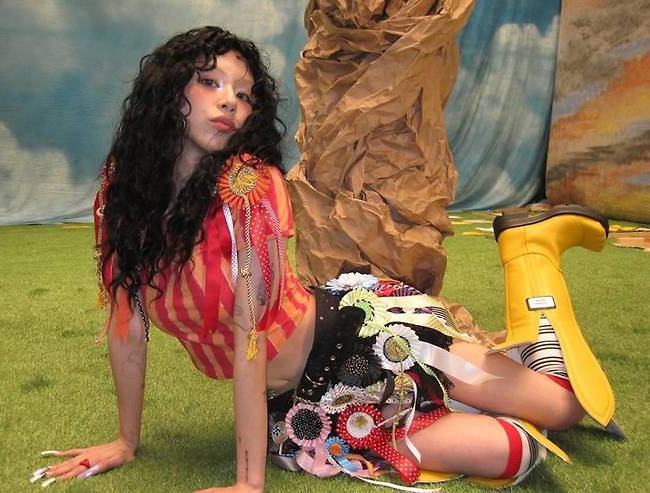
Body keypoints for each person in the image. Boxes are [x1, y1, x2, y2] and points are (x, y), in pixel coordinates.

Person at [33, 26, 621, 492]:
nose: (230, 102)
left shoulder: (248, 188)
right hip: (296, 405)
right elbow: (128, 327)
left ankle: (530, 258)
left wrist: (247, 483)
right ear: (169, 90)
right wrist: (126, 441)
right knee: (509, 452)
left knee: (562, 408)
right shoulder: (120, 192)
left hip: (362, 341)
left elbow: (249, 335)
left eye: (244, 94)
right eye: (210, 82)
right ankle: (477, 385)